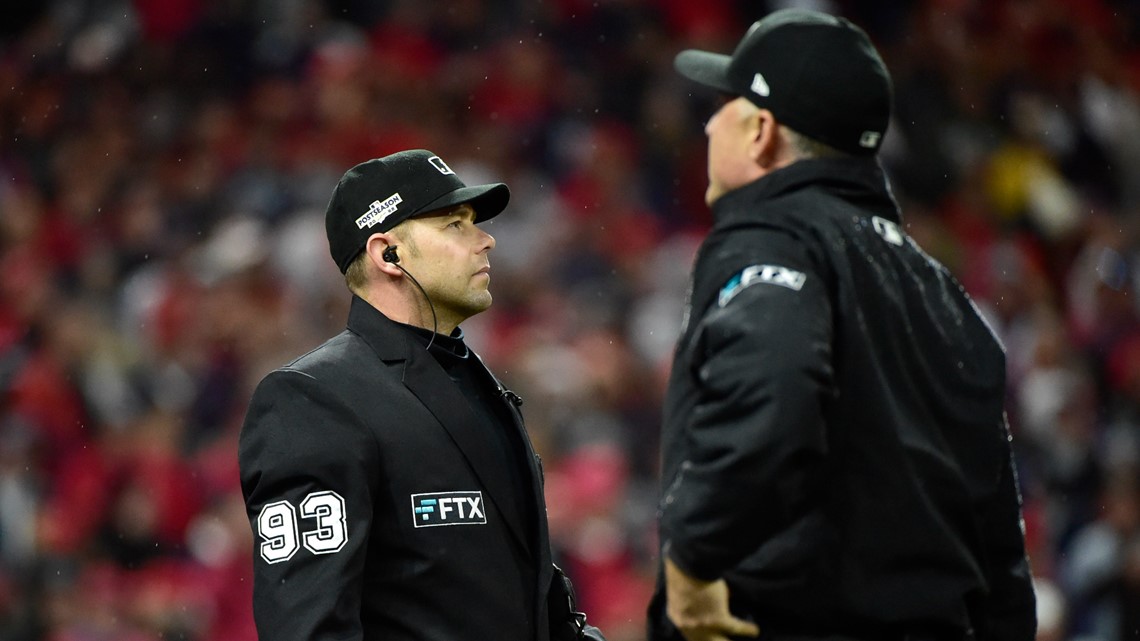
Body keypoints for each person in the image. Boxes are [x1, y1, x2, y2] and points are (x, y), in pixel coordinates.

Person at [648, 10, 1037, 641]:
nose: (712, 121)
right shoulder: (941, 290)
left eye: (727, 104)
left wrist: (694, 559)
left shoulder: (772, 236)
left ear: (762, 132)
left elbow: (776, 388)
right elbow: (998, 537)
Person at [239, 149, 604, 641]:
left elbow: (537, 610)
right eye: (456, 225)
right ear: (388, 254)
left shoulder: (483, 387)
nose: (486, 240)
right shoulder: (315, 399)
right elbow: (309, 629)